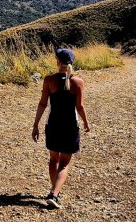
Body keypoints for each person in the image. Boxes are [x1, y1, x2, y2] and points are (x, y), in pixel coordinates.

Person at [31, 47, 91, 209]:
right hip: (70, 126)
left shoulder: (49, 80)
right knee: (64, 164)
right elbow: (80, 106)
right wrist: (86, 122)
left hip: (53, 125)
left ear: (58, 61)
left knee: (53, 160)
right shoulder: (78, 82)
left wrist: (36, 124)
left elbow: (43, 103)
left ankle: (54, 190)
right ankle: (54, 194)